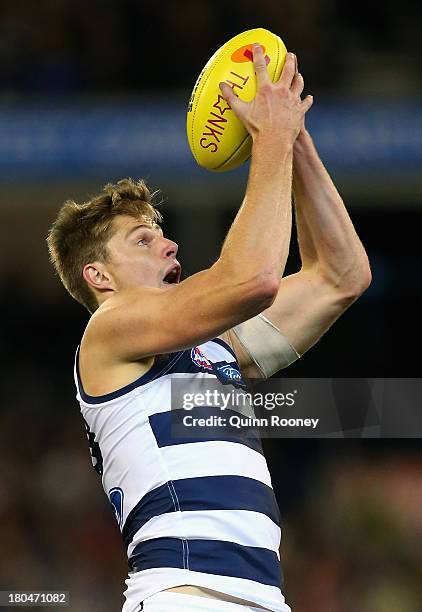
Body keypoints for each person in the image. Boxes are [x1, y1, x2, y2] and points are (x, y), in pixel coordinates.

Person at [47, 46, 371, 612]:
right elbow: (253, 280)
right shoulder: (109, 331)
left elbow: (341, 276)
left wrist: (292, 137)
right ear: (97, 275)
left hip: (261, 599)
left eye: (161, 232)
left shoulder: (215, 352)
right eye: (141, 241)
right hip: (184, 594)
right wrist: (267, 140)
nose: (169, 243)